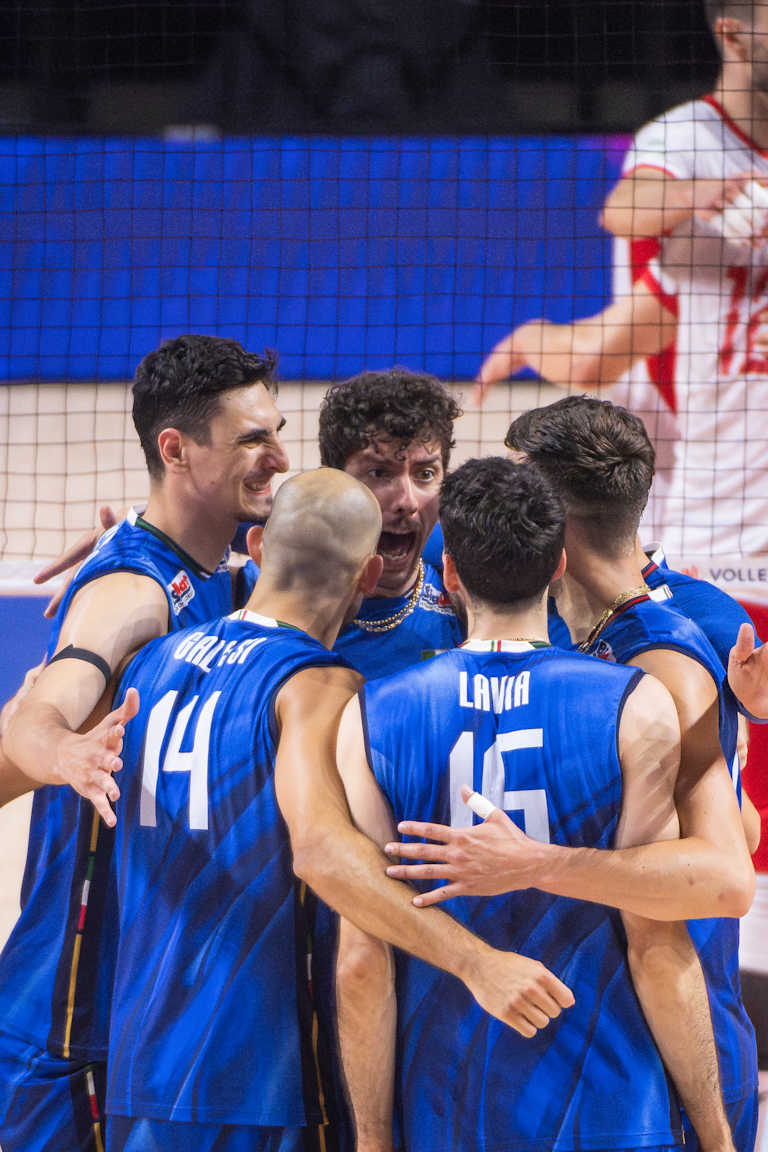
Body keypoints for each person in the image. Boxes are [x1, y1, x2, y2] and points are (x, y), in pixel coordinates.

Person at [104, 467, 573, 1152]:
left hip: (139, 1062)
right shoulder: (317, 686)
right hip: (260, 1077)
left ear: (259, 546)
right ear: (368, 574)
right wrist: (477, 962)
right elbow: (324, 855)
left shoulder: (151, 662)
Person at [389, 397, 758, 1152]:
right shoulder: (553, 620)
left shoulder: (676, 653)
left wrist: (534, 864)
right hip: (560, 1031)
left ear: (554, 523)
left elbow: (724, 867)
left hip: (673, 1036)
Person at [0, 333, 290, 1152]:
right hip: (68, 1018)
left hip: (144, 1010)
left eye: (276, 430)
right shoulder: (130, 592)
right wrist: (66, 754)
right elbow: (37, 712)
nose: (278, 456)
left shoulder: (220, 570)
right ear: (176, 449)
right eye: (253, 439)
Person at [318, 367, 463, 677]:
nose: (407, 502)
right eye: (380, 473)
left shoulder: (468, 604)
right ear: (333, 481)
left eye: (425, 474)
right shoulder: (290, 611)